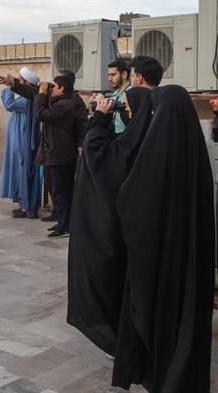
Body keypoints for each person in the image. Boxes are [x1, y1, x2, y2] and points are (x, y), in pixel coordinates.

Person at [112, 85, 215, 392]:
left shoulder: (157, 150)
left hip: (160, 257)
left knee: (159, 314)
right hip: (190, 256)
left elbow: (133, 202)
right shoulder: (195, 148)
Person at [67, 87, 153, 367]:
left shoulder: (124, 146)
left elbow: (97, 151)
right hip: (135, 230)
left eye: (127, 109)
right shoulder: (148, 135)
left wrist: (100, 117)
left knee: (108, 281)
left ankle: (117, 338)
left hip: (114, 230)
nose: (125, 113)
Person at [34, 75, 77, 238]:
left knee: (62, 191)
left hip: (60, 154)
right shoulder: (61, 103)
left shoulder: (65, 105)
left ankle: (65, 226)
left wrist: (42, 93)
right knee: (58, 190)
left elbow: (41, 114)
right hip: (56, 152)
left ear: (62, 89)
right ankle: (62, 222)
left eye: (55, 87)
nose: (52, 90)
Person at [0, 66, 42, 218]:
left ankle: (27, 206)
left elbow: (9, 105)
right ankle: (22, 203)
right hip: (18, 137)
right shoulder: (25, 98)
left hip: (22, 138)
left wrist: (10, 88)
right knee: (18, 170)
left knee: (23, 170)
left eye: (19, 79)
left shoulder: (27, 100)